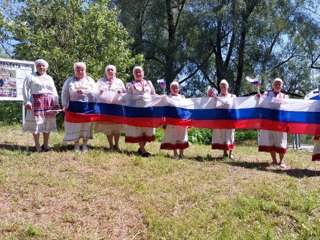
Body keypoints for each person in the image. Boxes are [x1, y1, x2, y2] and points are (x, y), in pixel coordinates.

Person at [22, 59, 60, 152]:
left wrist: (56, 102)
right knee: (36, 123)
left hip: (48, 103)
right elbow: (25, 89)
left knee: (47, 122)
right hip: (35, 102)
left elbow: (54, 90)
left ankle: (46, 144)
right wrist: (27, 101)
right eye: (39, 65)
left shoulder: (49, 78)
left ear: (46, 67)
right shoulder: (30, 76)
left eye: (43, 66)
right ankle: (37, 145)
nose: (41, 67)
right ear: (36, 66)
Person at [61, 62, 97, 152]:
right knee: (75, 125)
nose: (80, 71)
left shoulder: (90, 80)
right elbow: (64, 93)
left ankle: (85, 144)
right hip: (74, 107)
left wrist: (85, 92)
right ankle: (76, 144)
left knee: (87, 126)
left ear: (85, 70)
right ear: (74, 70)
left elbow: (96, 93)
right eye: (78, 69)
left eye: (82, 70)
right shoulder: (70, 80)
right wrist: (64, 104)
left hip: (88, 107)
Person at [257, 78, 289, 168]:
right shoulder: (266, 94)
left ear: (281, 86)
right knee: (270, 140)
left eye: (279, 84)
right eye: (276, 84)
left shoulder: (285, 96)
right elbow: (261, 104)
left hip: (280, 122)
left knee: (281, 141)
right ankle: (274, 160)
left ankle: (282, 161)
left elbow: (286, 108)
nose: (277, 85)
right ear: (272, 85)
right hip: (268, 122)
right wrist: (259, 97)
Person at [125, 66, 156, 157]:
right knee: (138, 129)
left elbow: (153, 95)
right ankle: (143, 150)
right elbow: (127, 98)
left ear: (143, 73)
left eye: (140, 72)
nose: (138, 74)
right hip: (136, 110)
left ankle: (141, 148)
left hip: (149, 110)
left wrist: (162, 97)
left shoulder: (149, 83)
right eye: (136, 72)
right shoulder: (130, 84)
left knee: (148, 130)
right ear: (133, 74)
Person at [95, 65, 126, 151]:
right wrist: (100, 90)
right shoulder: (100, 81)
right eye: (108, 70)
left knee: (117, 127)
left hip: (117, 107)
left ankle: (117, 145)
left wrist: (121, 91)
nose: (110, 71)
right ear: (105, 72)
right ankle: (111, 145)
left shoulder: (119, 81)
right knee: (107, 126)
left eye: (112, 70)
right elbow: (95, 92)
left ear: (115, 72)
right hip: (105, 107)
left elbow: (125, 92)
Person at [209, 79, 236, 159]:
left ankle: (231, 153)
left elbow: (237, 106)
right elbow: (211, 105)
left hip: (230, 119)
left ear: (227, 87)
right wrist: (211, 98)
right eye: (222, 85)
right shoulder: (217, 96)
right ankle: (224, 153)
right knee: (222, 135)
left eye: (225, 85)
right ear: (220, 87)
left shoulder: (232, 96)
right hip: (220, 119)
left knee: (230, 135)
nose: (223, 87)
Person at [160, 81, 189, 159]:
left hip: (181, 121)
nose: (175, 89)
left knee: (182, 136)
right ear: (170, 88)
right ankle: (175, 153)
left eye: (176, 87)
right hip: (171, 121)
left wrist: (188, 121)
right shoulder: (167, 97)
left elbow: (186, 109)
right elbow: (164, 109)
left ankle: (181, 154)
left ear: (179, 89)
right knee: (173, 136)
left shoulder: (182, 97)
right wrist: (164, 121)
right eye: (173, 87)